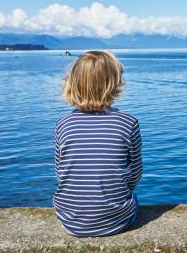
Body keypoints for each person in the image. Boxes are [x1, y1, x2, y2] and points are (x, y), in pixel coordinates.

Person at [53, 51, 142, 236]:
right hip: (117, 221)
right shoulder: (128, 122)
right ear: (114, 83)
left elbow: (61, 172)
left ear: (73, 83)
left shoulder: (63, 124)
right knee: (134, 199)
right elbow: (135, 173)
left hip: (71, 221)